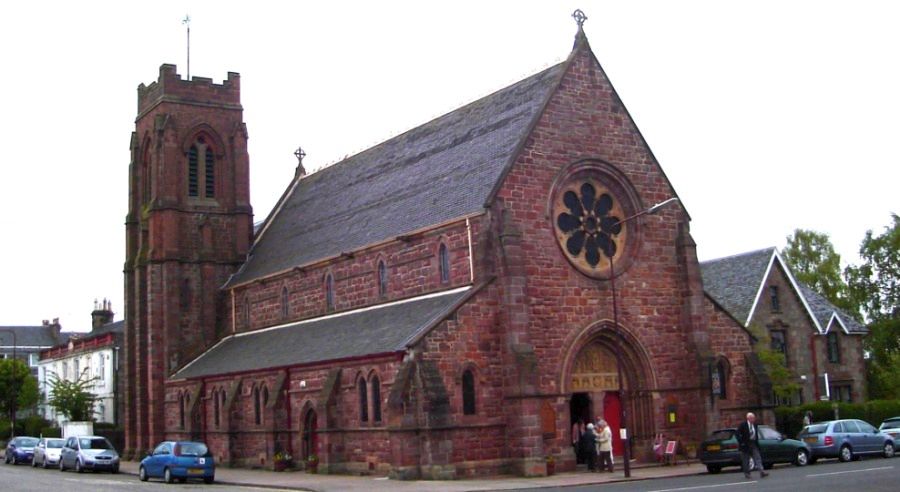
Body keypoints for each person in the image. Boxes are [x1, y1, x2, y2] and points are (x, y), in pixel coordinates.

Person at [736, 412, 768, 479]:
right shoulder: (743, 425)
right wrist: (741, 442)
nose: (753, 419)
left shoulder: (755, 425)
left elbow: (755, 434)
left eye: (754, 418)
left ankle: (762, 471)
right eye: (752, 418)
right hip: (745, 445)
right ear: (748, 418)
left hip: (753, 443)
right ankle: (747, 474)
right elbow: (737, 434)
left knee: (757, 457)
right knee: (746, 460)